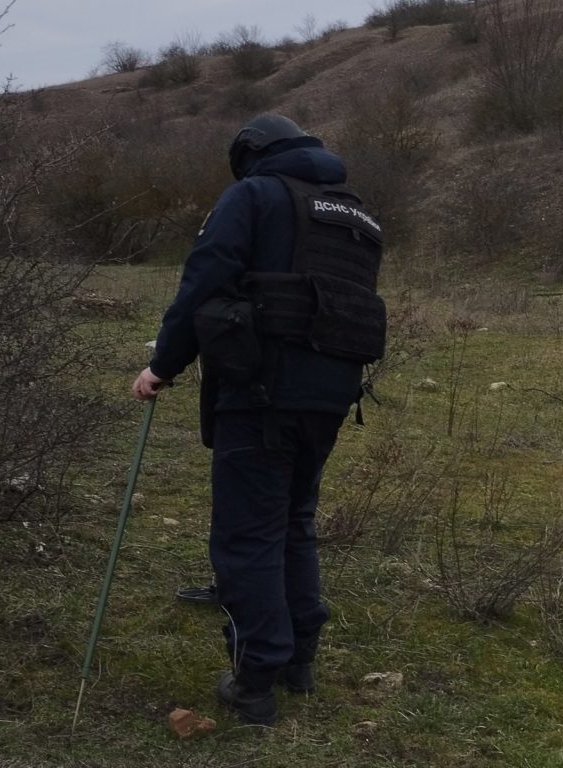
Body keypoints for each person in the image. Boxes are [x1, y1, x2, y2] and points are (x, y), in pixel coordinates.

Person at [131, 114, 385, 726]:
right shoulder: (358, 216)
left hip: (262, 393)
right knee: (294, 524)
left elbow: (204, 283)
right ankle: (298, 660)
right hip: (331, 397)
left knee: (249, 536)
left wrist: (161, 367)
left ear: (253, 155)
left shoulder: (254, 195)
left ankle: (255, 678)